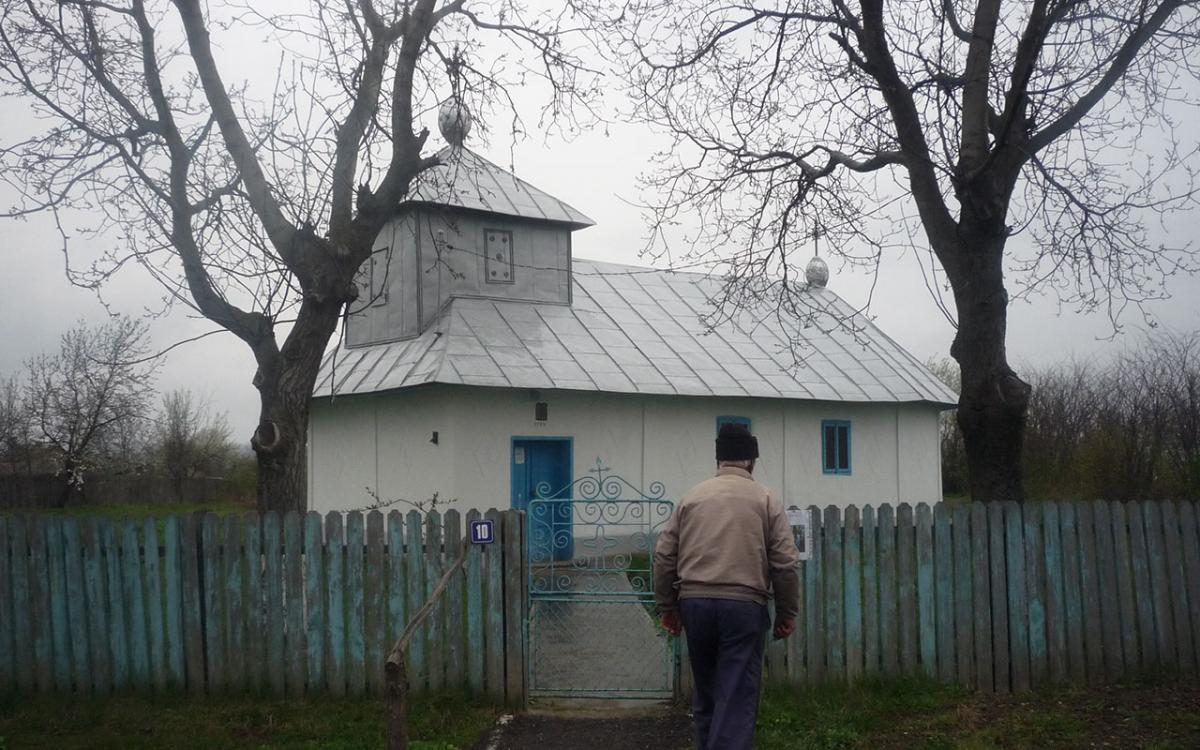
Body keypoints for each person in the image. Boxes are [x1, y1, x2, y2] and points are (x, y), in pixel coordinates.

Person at [653, 422, 801, 750]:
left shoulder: (692, 497)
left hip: (695, 604)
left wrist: (667, 607)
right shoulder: (766, 499)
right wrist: (786, 613)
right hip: (743, 607)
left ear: (718, 459)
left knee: (706, 692)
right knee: (735, 696)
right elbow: (785, 563)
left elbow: (664, 556)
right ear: (752, 461)